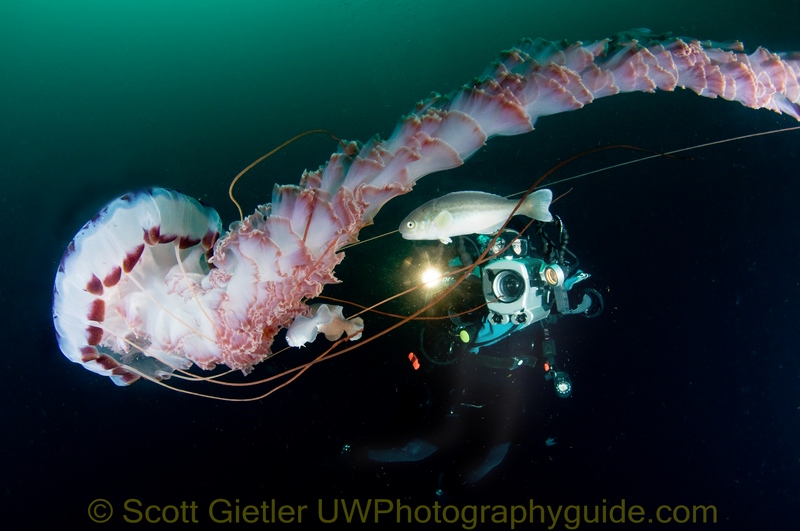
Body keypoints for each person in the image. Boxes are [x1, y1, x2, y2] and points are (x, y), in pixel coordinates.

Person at [354, 216, 602, 493]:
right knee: (419, 448)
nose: (507, 250)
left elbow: (592, 296)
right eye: (497, 244)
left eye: (515, 244)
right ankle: (355, 460)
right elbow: (435, 302)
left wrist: (572, 302)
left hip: (509, 384)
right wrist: (470, 302)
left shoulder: (541, 280)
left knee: (493, 459)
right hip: (461, 377)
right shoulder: (468, 276)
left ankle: (451, 491)